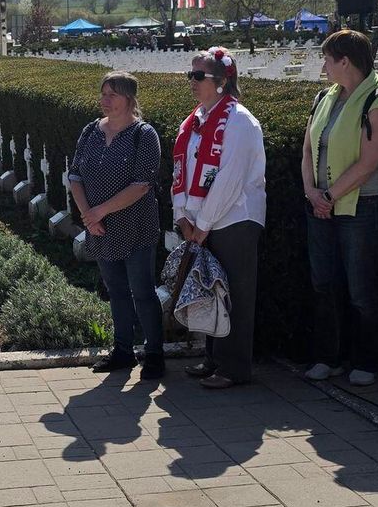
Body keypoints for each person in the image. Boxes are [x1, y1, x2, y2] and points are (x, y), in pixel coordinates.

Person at [300, 31, 378, 387]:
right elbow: (308, 149)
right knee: (324, 283)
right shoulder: (324, 98)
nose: (323, 66)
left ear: (345, 61)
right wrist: (311, 192)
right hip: (321, 203)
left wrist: (328, 196)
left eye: (327, 59)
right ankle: (328, 357)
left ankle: (366, 359)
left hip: (363, 205)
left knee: (360, 287)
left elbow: (369, 163)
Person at [172, 47, 266, 390]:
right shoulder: (194, 121)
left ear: (222, 82)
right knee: (211, 291)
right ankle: (214, 358)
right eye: (191, 74)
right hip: (201, 222)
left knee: (234, 294)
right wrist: (182, 215)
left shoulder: (240, 121)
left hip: (234, 220)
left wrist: (203, 224)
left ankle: (235, 367)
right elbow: (181, 171)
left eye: (199, 76)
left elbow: (229, 180)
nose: (192, 81)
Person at [68, 72, 164, 379]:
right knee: (116, 291)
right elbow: (75, 175)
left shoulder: (143, 135)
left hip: (136, 227)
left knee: (143, 292)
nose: (104, 100)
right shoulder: (91, 132)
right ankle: (123, 351)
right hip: (100, 229)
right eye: (103, 93)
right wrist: (88, 214)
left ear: (129, 99)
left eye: (112, 94)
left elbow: (141, 184)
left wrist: (99, 211)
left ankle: (154, 354)